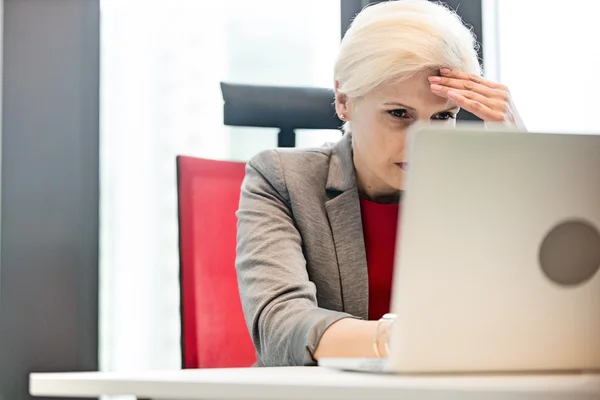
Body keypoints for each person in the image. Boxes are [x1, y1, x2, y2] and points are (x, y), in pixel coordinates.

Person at [235, 0, 525, 367]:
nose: (420, 138)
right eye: (399, 114)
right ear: (344, 101)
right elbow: (281, 329)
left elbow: (541, 313)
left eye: (442, 116)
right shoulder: (280, 180)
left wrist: (521, 160)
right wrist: (403, 339)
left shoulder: (476, 190)